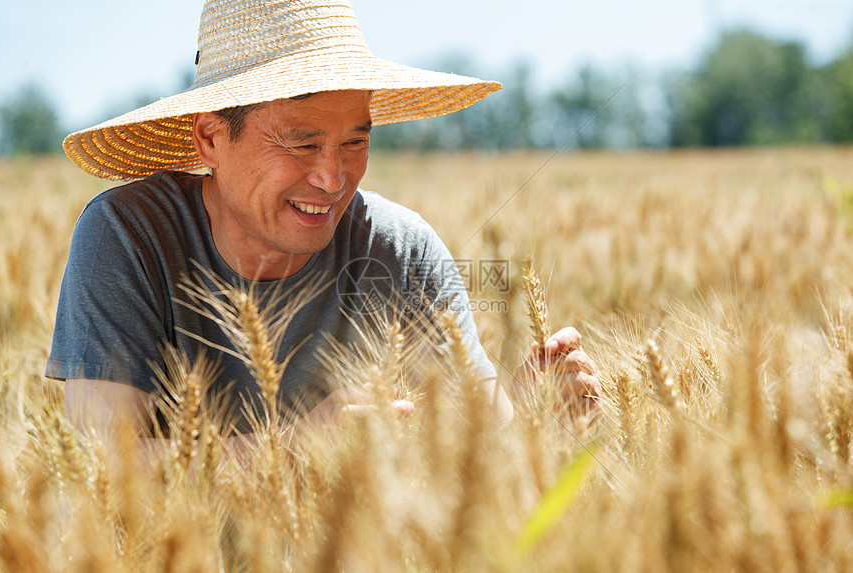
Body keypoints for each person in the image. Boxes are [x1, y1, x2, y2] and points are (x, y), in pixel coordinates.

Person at [47, 0, 599, 442]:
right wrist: (293, 453)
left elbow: (482, 446)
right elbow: (110, 479)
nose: (334, 178)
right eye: (302, 143)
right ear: (212, 138)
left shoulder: (402, 248)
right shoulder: (126, 236)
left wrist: (532, 418)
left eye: (355, 141)